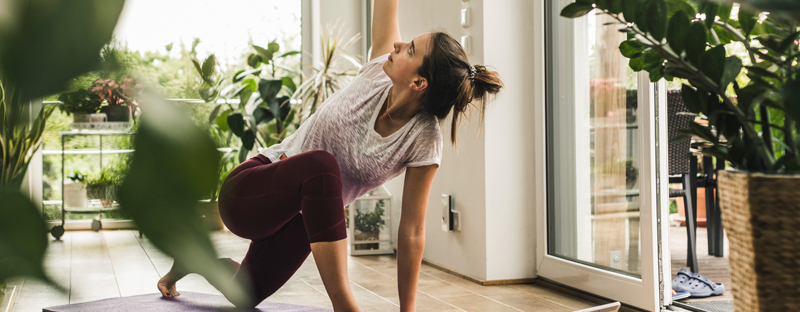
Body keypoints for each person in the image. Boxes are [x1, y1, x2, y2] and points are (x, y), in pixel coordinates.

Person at [156, 1, 502, 311]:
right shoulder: (378, 69)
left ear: (418, 83)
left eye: (410, 48)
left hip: (302, 218)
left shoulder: (424, 140)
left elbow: (412, 230)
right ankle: (344, 306)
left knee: (245, 295)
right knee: (323, 166)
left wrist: (407, 311)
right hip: (251, 191)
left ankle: (191, 259)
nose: (398, 45)